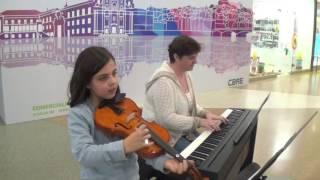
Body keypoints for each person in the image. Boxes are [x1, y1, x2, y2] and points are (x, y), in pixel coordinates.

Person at [67, 46, 190, 180]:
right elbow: (83, 154)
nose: (113, 81)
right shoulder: (79, 114)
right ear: (87, 83)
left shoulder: (123, 105)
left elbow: (142, 147)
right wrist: (124, 146)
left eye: (114, 73)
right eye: (103, 78)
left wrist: (164, 162)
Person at [142, 35, 228, 152]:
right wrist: (199, 122)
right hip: (166, 137)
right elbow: (166, 119)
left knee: (214, 150)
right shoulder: (162, 82)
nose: (196, 61)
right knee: (202, 159)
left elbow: (188, 103)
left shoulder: (186, 74)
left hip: (183, 132)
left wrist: (205, 113)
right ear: (176, 57)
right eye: (191, 58)